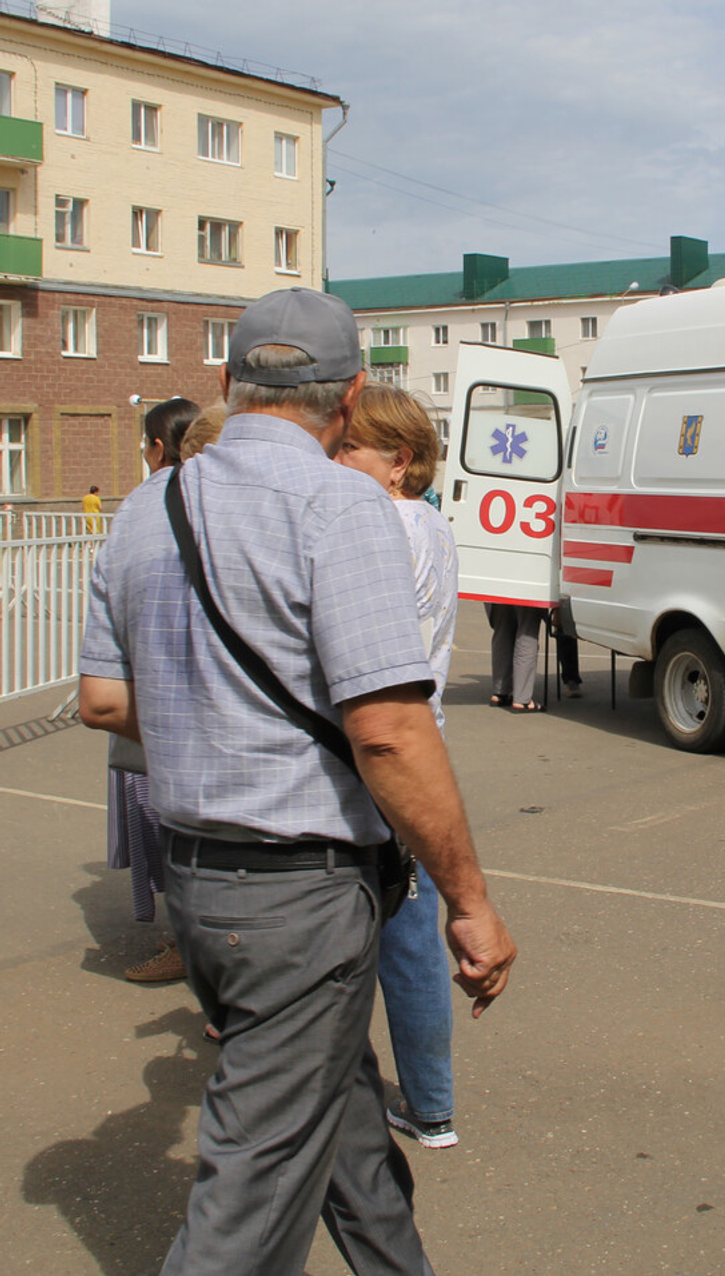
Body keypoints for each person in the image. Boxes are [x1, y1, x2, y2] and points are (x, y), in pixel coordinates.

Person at [78, 287, 516, 1275]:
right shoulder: (341, 504)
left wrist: (215, 724)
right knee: (248, 1202)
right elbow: (390, 732)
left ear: (227, 380)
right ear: (350, 393)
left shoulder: (147, 507)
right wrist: (470, 902)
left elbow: (104, 698)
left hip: (198, 883)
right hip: (300, 897)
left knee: (348, 1133)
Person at [335, 385, 461, 1149]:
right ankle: (429, 1101)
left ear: (398, 460)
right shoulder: (431, 523)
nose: (336, 458)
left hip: (380, 754)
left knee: (366, 937)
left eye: (350, 447)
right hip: (423, 747)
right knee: (411, 936)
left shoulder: (380, 526)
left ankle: (362, 1101)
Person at [115, 397, 201, 984]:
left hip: (156, 693)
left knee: (168, 824)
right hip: (212, 694)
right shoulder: (217, 497)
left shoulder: (145, 505)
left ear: (154, 447)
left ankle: (190, 946)